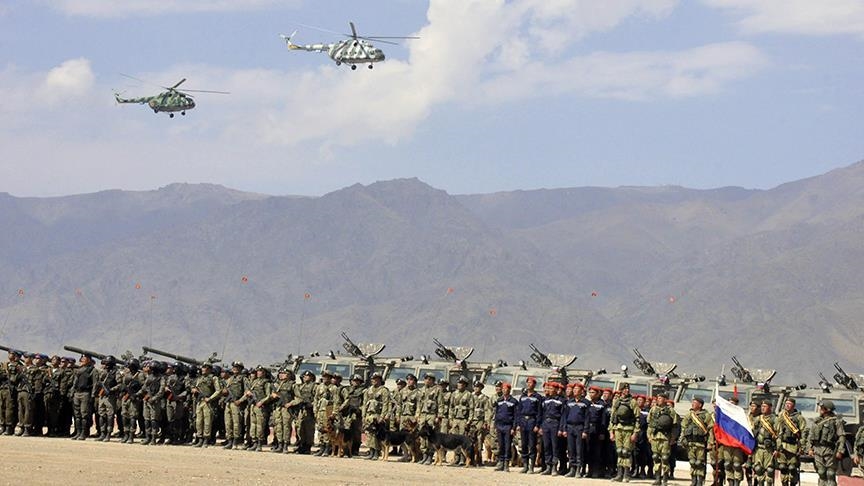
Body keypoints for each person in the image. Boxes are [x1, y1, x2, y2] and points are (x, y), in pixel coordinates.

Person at [808, 400, 846, 486]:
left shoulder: (836, 421)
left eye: (822, 408)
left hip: (830, 450)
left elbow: (841, 436)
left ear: (827, 409)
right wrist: (809, 448)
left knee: (830, 474)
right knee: (821, 472)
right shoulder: (817, 421)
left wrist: (840, 450)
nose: (820, 409)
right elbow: (810, 436)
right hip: (818, 449)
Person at [610, 382, 641, 482]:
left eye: (628, 388)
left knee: (626, 452)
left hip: (629, 429)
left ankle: (626, 474)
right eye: (624, 389)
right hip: (618, 428)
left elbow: (637, 418)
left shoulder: (633, 402)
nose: (626, 390)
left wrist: (635, 433)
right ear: (621, 390)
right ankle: (619, 474)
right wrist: (611, 431)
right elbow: (612, 418)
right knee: (619, 451)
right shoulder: (617, 401)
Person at [680, 397, 715, 486]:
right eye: (692, 402)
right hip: (690, 443)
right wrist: (683, 439)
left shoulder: (706, 415)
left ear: (700, 405)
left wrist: (710, 443)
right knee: (692, 462)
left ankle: (700, 481)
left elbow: (710, 430)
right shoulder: (689, 414)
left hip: (701, 443)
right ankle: (693, 480)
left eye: (695, 403)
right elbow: (684, 427)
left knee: (699, 463)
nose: (692, 404)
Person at [648, 391, 679, 486]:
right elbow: (650, 424)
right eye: (658, 398)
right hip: (655, 436)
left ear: (665, 399)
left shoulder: (671, 411)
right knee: (655, 457)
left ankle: (665, 479)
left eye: (660, 398)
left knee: (665, 458)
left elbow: (675, 426)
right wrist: (649, 436)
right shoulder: (653, 409)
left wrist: (673, 438)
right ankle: (657, 479)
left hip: (666, 437)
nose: (658, 400)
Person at [775, 398, 807, 486]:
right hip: (782, 445)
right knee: (782, 467)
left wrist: (802, 446)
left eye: (789, 404)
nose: (787, 405)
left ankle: (793, 483)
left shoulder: (799, 418)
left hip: (793, 446)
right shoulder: (781, 416)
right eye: (786, 404)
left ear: (793, 405)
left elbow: (804, 432)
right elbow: (776, 430)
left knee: (792, 468)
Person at [190, 362, 221, 448]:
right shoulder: (199, 378)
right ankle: (200, 439)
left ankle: (206, 440)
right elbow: (194, 387)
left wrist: (210, 398)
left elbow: (218, 391)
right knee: (199, 422)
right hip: (199, 401)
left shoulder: (214, 378)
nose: (203, 369)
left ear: (210, 369)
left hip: (207, 402)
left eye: (205, 367)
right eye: (203, 367)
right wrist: (194, 390)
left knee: (207, 422)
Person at [265, 368, 296, 453]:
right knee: (278, 426)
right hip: (278, 408)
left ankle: (285, 445)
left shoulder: (292, 385)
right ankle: (279, 444)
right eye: (280, 373)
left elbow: (298, 398)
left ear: (288, 375)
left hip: (286, 408)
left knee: (286, 427)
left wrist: (290, 403)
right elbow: (270, 396)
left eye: (284, 373)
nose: (281, 375)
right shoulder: (276, 385)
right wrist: (272, 396)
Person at [538, 381, 565, 475]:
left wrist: (561, 428)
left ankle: (554, 467)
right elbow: (542, 414)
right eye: (548, 388)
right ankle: (548, 466)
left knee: (555, 446)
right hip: (546, 423)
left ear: (556, 390)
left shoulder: (561, 401)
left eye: (551, 388)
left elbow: (563, 416)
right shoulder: (545, 400)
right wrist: (541, 426)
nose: (549, 390)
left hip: (555, 423)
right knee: (546, 446)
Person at [416, 372, 444, 465]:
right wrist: (417, 414)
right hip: (423, 414)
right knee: (422, 436)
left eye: (429, 379)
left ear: (432, 380)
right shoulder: (422, 389)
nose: (427, 381)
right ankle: (424, 455)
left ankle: (430, 456)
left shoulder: (437, 389)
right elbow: (419, 403)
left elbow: (440, 403)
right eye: (426, 379)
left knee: (431, 437)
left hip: (432, 415)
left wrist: (439, 416)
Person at [517, 376, 542, 473]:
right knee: (523, 444)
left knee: (532, 445)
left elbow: (539, 412)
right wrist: (518, 423)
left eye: (531, 383)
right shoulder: (522, 397)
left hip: (532, 421)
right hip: (523, 421)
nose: (529, 384)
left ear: (534, 385)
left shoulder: (537, 397)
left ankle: (531, 466)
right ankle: (525, 465)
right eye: (527, 382)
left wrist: (537, 425)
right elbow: (519, 411)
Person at [362, 372, 389, 460]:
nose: (374, 380)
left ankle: (377, 452)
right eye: (373, 379)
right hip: (369, 414)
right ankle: (371, 451)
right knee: (369, 433)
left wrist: (382, 416)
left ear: (380, 379)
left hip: (377, 414)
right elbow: (364, 403)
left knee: (376, 434)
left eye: (376, 379)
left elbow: (385, 403)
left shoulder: (384, 390)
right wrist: (363, 415)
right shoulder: (368, 390)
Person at [448, 376, 474, 466]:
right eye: (459, 383)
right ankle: (456, 458)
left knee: (462, 440)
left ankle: (463, 459)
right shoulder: (454, 394)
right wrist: (450, 419)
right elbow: (451, 407)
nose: (460, 385)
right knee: (454, 440)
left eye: (462, 383)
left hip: (463, 420)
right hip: (455, 419)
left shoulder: (468, 394)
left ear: (465, 385)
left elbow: (471, 408)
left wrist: (469, 420)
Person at [70, 354, 96, 440]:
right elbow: (75, 382)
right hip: (77, 393)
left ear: (89, 360)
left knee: (84, 414)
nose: (82, 360)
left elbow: (95, 384)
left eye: (85, 358)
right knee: (77, 414)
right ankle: (78, 432)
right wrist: (72, 392)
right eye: (82, 358)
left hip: (85, 393)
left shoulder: (92, 370)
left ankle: (83, 433)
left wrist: (92, 395)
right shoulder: (78, 370)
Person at [752, 400, 778, 486]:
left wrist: (777, 449)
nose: (762, 408)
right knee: (758, 469)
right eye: (762, 406)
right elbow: (753, 432)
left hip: (769, 449)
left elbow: (778, 435)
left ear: (770, 407)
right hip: (759, 448)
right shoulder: (758, 419)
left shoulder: (775, 419)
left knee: (770, 470)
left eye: (765, 406)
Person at [494, 382, 518, 472]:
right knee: (501, 445)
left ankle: (506, 463)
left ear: (509, 390)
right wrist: (496, 425)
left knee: (507, 445)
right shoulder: (499, 400)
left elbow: (516, 415)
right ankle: (501, 462)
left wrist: (513, 428)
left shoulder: (513, 401)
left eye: (506, 389)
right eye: (503, 389)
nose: (504, 390)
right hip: (499, 425)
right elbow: (497, 413)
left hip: (508, 426)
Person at [469, 380, 492, 467]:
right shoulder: (470, 396)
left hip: (480, 421)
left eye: (478, 387)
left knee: (479, 440)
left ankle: (478, 459)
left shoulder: (485, 398)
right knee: (470, 439)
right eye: (475, 386)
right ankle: (469, 458)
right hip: (471, 421)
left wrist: (486, 421)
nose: (476, 388)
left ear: (481, 388)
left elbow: (487, 411)